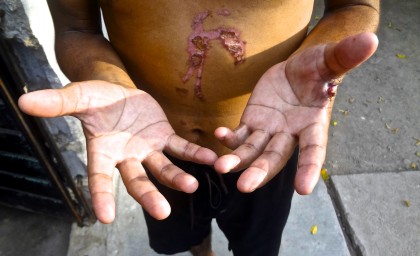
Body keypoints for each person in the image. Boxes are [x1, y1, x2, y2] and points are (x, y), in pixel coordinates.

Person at [18, 0, 379, 255]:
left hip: (266, 144)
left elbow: (354, 7)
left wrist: (319, 56)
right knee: (184, 233)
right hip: (153, 146)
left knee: (258, 245)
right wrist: (108, 80)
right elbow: (76, 28)